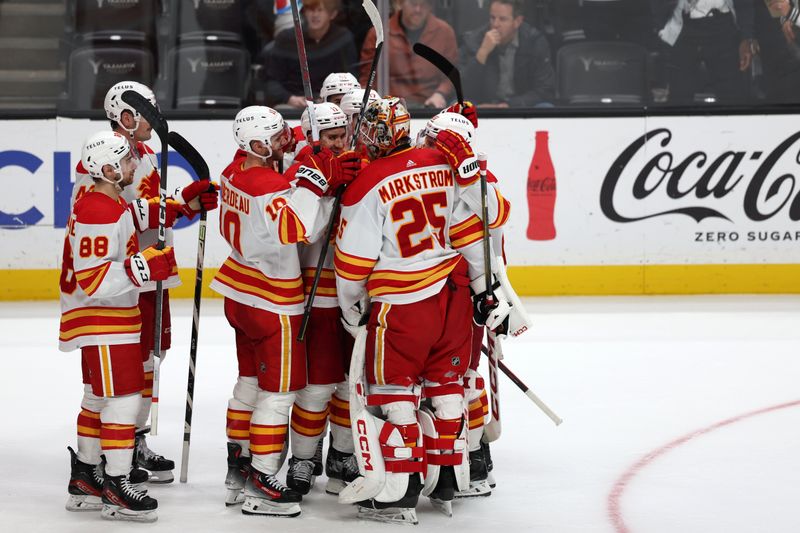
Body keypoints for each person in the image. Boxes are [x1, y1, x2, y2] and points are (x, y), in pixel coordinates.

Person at [334, 97, 513, 524]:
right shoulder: (446, 162)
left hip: (401, 306)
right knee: (446, 386)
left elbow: (352, 264)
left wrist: (351, 307)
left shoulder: (367, 183)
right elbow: (487, 222)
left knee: (394, 394)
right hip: (450, 302)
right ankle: (450, 478)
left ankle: (399, 492)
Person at [210, 105, 358, 516]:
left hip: (238, 292)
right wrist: (317, 187)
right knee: (279, 395)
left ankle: (237, 471)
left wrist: (314, 183)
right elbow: (299, 230)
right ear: (257, 144)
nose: (285, 142)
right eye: (276, 139)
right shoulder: (269, 184)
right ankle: (262, 482)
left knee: (247, 386)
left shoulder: (232, 170)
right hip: (272, 301)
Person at [72, 81, 219, 484]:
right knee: (119, 374)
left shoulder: (144, 156)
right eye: (149, 111)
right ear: (126, 117)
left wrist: (184, 202)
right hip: (121, 285)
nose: (157, 118)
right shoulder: (102, 163)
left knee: (147, 361)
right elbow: (120, 217)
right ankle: (106, 455)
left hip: (148, 274)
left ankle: (132, 442)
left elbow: (146, 208)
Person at [61, 130, 177, 522]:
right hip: (105, 317)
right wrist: (144, 267)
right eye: (127, 162)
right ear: (108, 169)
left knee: (97, 398)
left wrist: (179, 204)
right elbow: (92, 279)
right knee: (124, 400)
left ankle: (86, 477)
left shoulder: (108, 201)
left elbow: (130, 216)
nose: (134, 165)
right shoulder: (98, 210)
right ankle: (115, 483)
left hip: (107, 316)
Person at [416, 109, 511, 498]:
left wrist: (469, 171)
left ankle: (470, 459)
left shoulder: (474, 183)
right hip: (445, 298)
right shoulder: (438, 178)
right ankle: (461, 458)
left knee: (461, 380)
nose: (423, 143)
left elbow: (498, 217)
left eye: (431, 139)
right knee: (449, 381)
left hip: (464, 299)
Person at [281, 102, 360, 496]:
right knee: (316, 387)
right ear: (313, 137)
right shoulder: (299, 173)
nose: (340, 143)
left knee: (350, 385)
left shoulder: (356, 162)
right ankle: (302, 458)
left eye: (342, 134)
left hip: (356, 293)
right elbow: (303, 233)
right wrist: (327, 190)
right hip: (320, 293)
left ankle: (341, 455)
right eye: (331, 137)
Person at [359, 0, 458, 108]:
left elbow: (451, 74)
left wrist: (440, 94)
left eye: (423, 5)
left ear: (430, 7)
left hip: (430, 106)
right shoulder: (378, 33)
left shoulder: (444, 32)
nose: (418, 10)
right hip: (389, 107)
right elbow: (367, 78)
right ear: (400, 3)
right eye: (413, 4)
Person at [658, 0, 757, 105]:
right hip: (682, 28)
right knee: (679, 100)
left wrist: (746, 36)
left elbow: (745, 3)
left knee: (733, 100)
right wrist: (659, 25)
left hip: (723, 29)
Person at [460, 0, 556, 108]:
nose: (495, 25)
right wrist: (482, 52)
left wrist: (509, 105)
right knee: (458, 106)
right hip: (483, 106)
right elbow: (463, 89)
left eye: (502, 19)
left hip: (520, 106)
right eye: (492, 18)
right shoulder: (475, 40)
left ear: (517, 21)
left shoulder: (534, 42)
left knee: (545, 107)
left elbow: (545, 90)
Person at [264, 0, 357, 109]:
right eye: (311, 10)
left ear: (332, 14)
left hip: (331, 104)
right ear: (304, 12)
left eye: (320, 10)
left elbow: (351, 77)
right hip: (292, 105)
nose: (315, 15)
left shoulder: (343, 39)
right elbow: (272, 82)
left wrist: (330, 99)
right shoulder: (286, 39)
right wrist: (289, 98)